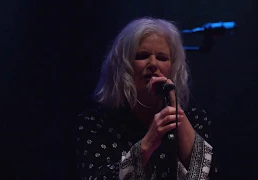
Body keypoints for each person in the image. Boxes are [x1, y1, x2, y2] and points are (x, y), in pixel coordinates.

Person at [74, 17, 221, 179]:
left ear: (173, 67)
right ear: (123, 66)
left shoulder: (194, 118)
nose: (153, 64)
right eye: (142, 56)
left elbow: (210, 175)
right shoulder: (96, 122)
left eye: (162, 58)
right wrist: (147, 144)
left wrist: (175, 107)